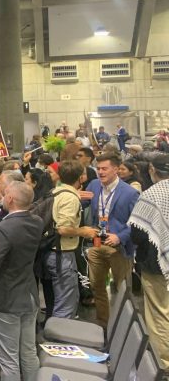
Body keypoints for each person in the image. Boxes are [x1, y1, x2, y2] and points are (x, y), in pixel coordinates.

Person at [0, 181, 43, 381]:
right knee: (28, 352)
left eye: (5, 194)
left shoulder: (5, 227)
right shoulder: (37, 221)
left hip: (7, 300)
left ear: (11, 199)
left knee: (9, 359)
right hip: (29, 296)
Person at [86, 152, 139, 327]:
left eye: (104, 168)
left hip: (118, 247)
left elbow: (137, 222)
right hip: (97, 244)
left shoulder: (130, 193)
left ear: (116, 169)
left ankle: (125, 326)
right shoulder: (94, 185)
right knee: (97, 286)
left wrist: (120, 236)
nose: (100, 172)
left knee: (123, 289)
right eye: (98, 168)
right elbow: (84, 203)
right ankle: (103, 323)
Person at [129, 156, 169, 373]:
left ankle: (163, 364)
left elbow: (137, 232)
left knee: (159, 313)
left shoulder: (152, 194)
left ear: (152, 169)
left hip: (156, 265)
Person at [45, 161, 97, 319]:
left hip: (50, 251)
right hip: (62, 254)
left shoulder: (55, 192)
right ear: (81, 178)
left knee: (57, 299)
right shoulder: (70, 198)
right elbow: (63, 228)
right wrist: (84, 231)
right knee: (66, 302)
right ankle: (59, 338)